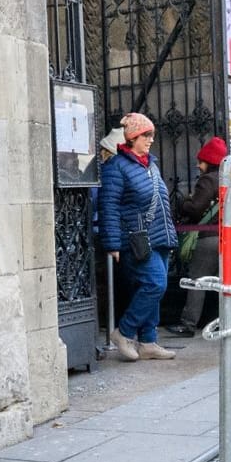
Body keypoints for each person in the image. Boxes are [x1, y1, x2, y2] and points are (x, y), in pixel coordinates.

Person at [98, 111, 178, 361]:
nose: (151, 139)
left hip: (160, 237)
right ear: (132, 137)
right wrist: (112, 243)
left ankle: (148, 341)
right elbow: (108, 206)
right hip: (137, 239)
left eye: (151, 134)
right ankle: (124, 332)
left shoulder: (151, 165)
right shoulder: (116, 167)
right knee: (155, 284)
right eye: (146, 134)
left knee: (155, 287)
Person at [170, 135, 229, 336]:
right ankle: (227, 321)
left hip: (210, 238)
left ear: (209, 161)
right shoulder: (228, 177)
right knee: (224, 282)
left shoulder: (207, 180)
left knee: (198, 280)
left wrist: (183, 201)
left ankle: (188, 324)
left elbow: (195, 209)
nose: (197, 165)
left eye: (201, 161)